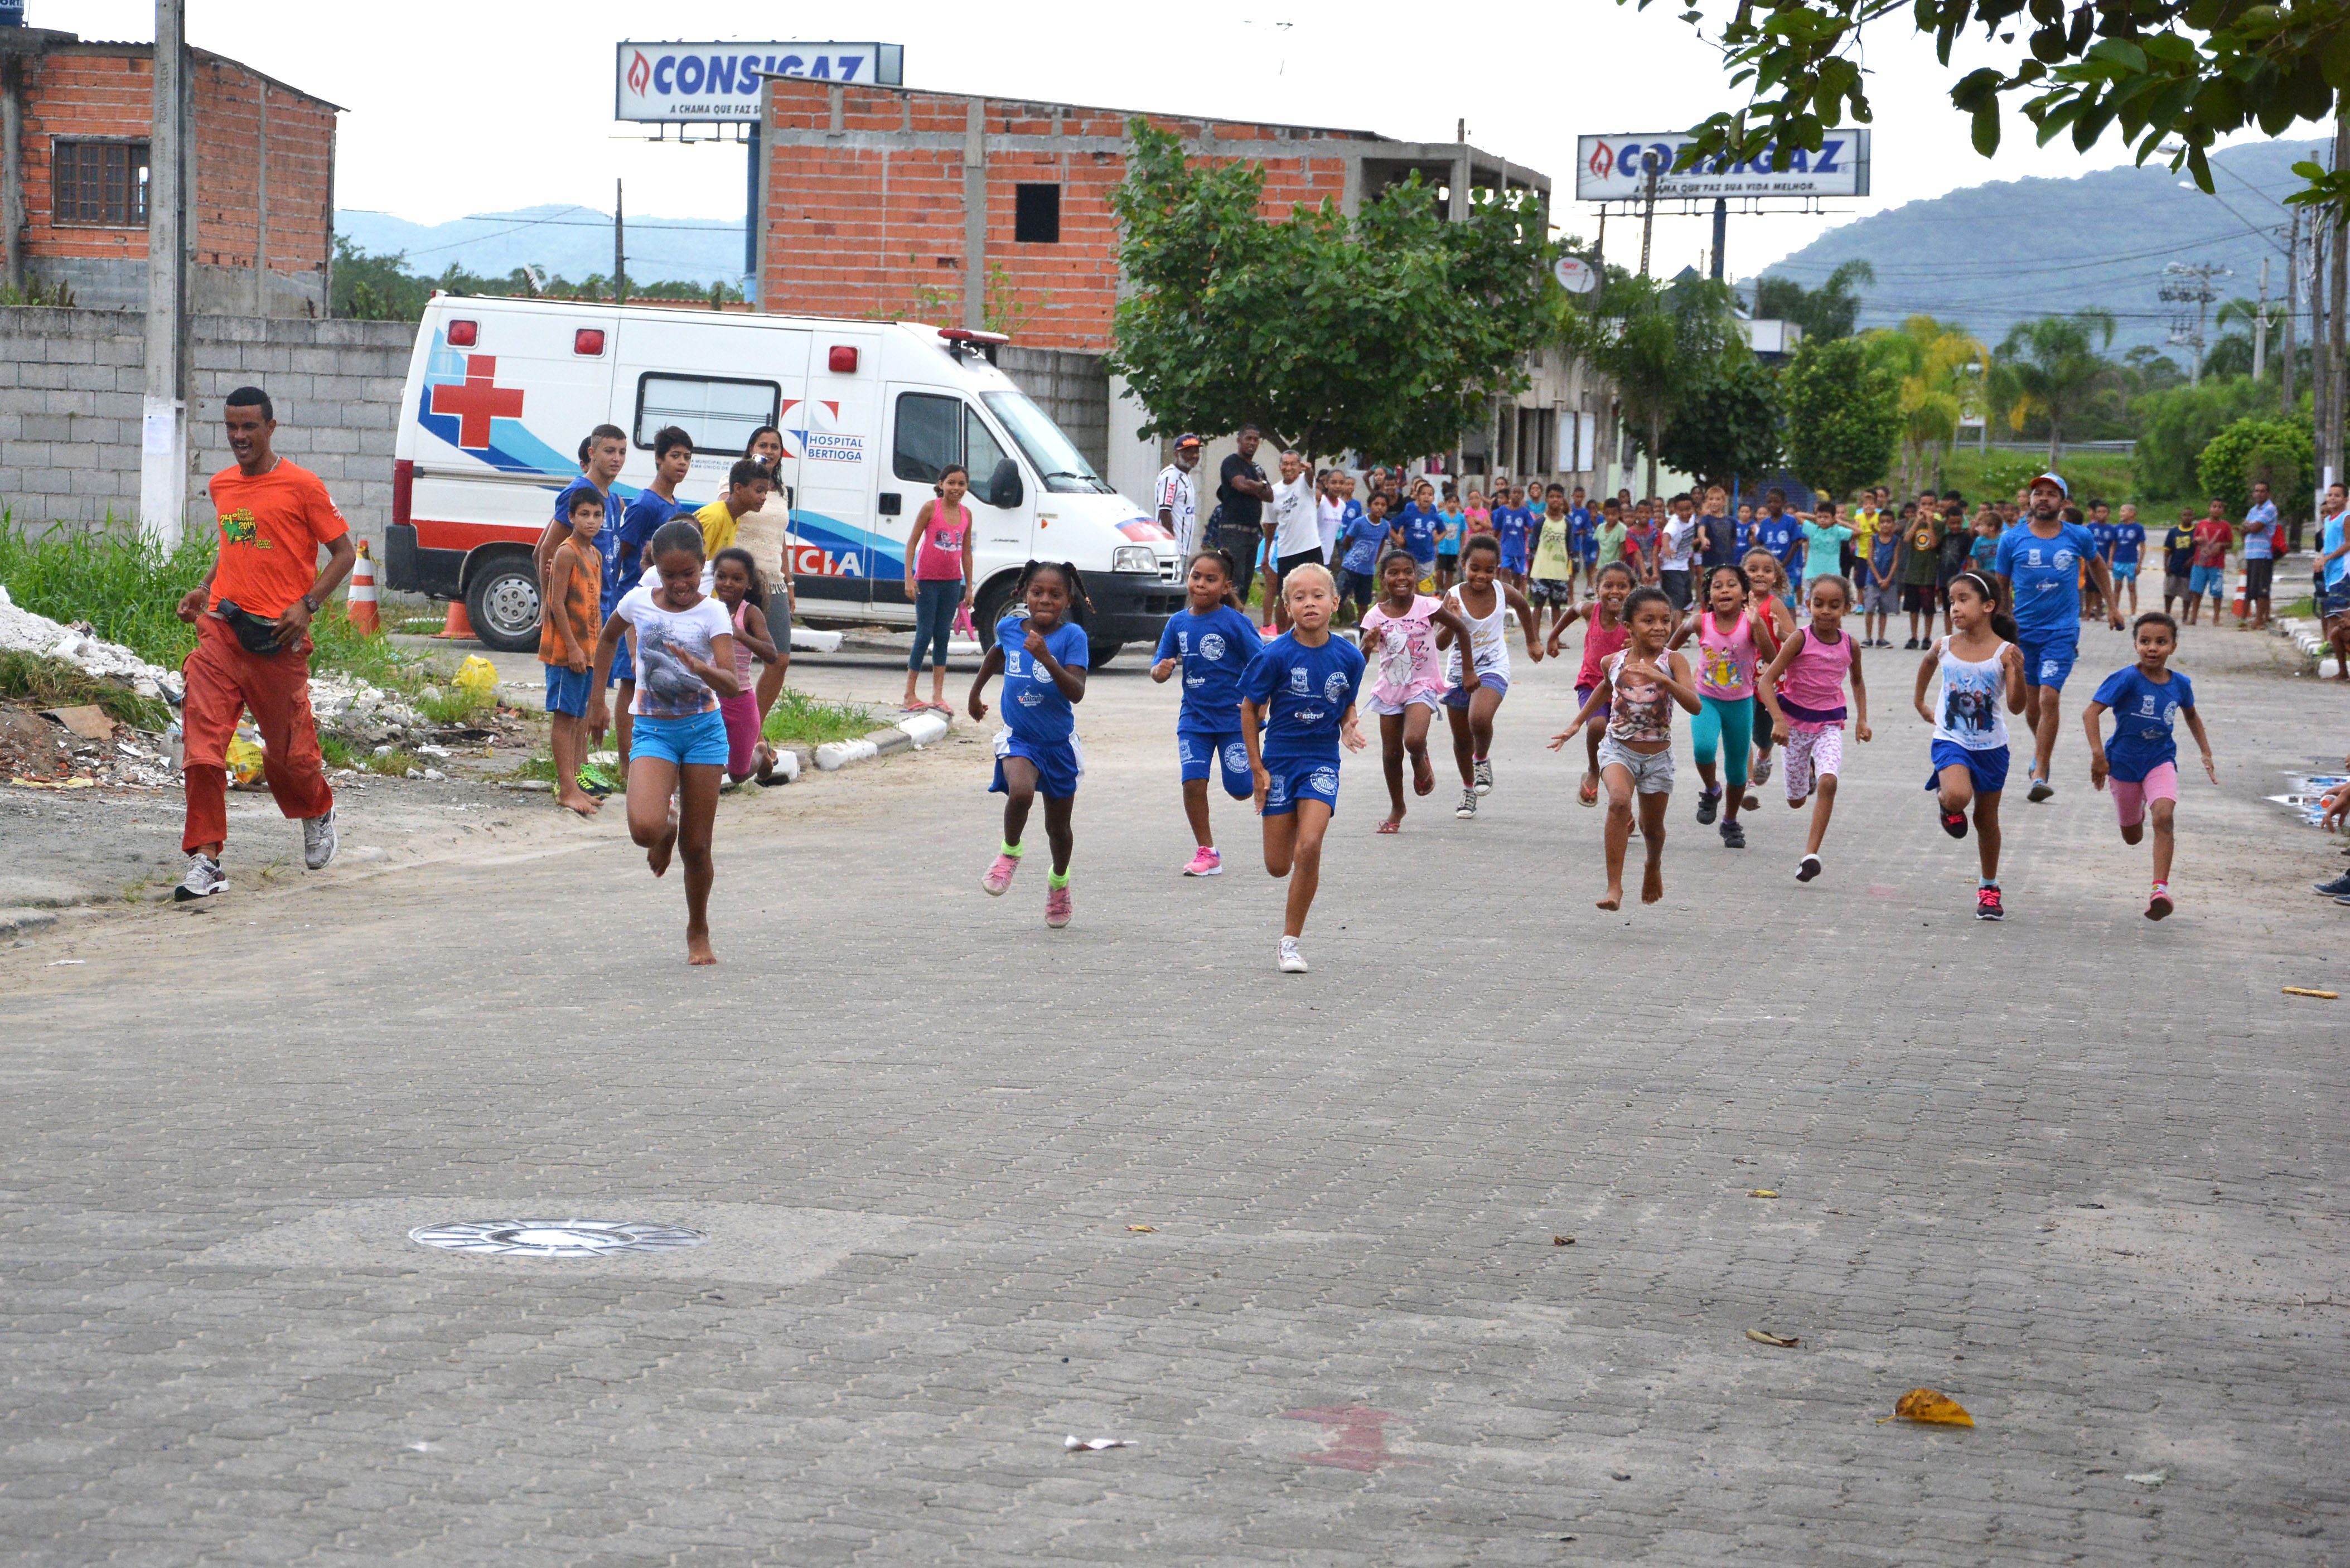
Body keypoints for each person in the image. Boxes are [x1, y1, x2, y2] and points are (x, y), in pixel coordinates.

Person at [171, 386, 356, 901]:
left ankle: (317, 809)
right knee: (203, 748)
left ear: (270, 428)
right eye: (232, 427)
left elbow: (343, 554)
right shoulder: (223, 484)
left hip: (278, 640)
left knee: (288, 757)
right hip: (222, 632)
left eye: (249, 427)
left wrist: (309, 605)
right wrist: (206, 590)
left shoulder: (303, 486)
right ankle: (206, 860)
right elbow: (237, 543)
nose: (238, 437)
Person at [587, 519, 740, 965]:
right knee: (644, 830)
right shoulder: (638, 602)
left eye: (688, 575)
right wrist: (599, 701)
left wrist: (700, 667)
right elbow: (608, 639)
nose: (680, 585)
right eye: (670, 575)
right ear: (656, 568)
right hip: (653, 729)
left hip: (703, 732)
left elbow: (730, 683)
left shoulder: (712, 612)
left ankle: (698, 928)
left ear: (702, 567)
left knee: (698, 847)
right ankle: (665, 826)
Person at [1240, 563, 1368, 973]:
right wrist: (1257, 768)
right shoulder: (1274, 655)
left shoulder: (1350, 656)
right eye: (1299, 597)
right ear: (1286, 607)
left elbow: (1346, 701)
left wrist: (1349, 725)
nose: (1309, 603)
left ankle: (1290, 942)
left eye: (1317, 596)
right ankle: (1287, 832)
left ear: (1335, 602)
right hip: (1279, 760)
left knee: (1309, 846)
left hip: (1321, 761)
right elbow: (1248, 708)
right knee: (1278, 865)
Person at [1549, 584, 1700, 910]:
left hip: (1658, 756)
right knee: (1619, 803)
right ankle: (1614, 887)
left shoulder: (1674, 662)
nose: (1659, 627)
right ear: (1629, 627)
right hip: (1619, 750)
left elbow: (1695, 705)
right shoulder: (1612, 661)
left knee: (1653, 827)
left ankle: (1652, 865)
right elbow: (1605, 689)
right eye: (1649, 620)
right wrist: (1576, 724)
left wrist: (1664, 680)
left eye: (1665, 620)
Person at [970, 561, 1091, 927]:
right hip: (1019, 737)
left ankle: (1059, 882)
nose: (1045, 600)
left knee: (1059, 830)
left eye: (1055, 595)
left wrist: (1046, 658)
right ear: (1025, 593)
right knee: (1020, 792)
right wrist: (976, 693)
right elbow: (996, 654)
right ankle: (1010, 852)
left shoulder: (1073, 638)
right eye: (1037, 592)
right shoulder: (1010, 628)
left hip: (1058, 745)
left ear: (1068, 600)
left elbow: (1077, 692)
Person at [1995, 471, 2122, 802]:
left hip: (2062, 632)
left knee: (2049, 698)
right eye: (2039, 493)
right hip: (2024, 633)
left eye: (2052, 494)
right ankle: (2042, 753)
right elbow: (2001, 583)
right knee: (2030, 707)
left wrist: (2112, 606)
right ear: (2031, 499)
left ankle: (2040, 772)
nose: (2043, 499)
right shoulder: (2012, 539)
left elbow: (2097, 566)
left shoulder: (2078, 536)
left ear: (2063, 503)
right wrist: (2001, 623)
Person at [2085, 612, 2215, 921]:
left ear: (2173, 646)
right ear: (2135, 645)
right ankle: (2137, 811)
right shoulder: (2126, 679)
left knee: (2165, 816)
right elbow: (2091, 713)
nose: (2152, 648)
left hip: (2160, 760)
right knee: (2133, 836)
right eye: (2145, 641)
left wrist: (2206, 752)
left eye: (2161, 642)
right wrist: (2098, 756)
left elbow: (2192, 716)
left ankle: (2160, 890)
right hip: (2124, 765)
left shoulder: (2180, 684)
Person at [1914, 571, 2026, 921]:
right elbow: (1927, 665)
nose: (1955, 608)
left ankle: (1989, 888)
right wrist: (1920, 703)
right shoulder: (1945, 645)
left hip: (1992, 746)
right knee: (1959, 796)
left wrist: (2018, 672)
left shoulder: (2006, 653)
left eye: (1964, 600)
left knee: (1986, 820)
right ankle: (1947, 802)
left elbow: (2017, 707)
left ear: (1989, 606)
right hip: (1950, 739)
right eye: (1951, 601)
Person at [1152, 549, 1264, 875]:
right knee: (1192, 783)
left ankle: (1264, 771)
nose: (1201, 584)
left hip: (1233, 721)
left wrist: (1259, 707)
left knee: (1241, 790)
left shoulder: (1235, 623)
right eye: (1196, 577)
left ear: (1226, 587)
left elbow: (1262, 664)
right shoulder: (1178, 623)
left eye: (1210, 579)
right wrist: (1161, 670)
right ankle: (1207, 851)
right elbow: (1158, 667)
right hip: (1194, 720)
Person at [1757, 574, 1869, 883]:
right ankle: (1807, 771)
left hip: (1829, 723)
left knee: (1829, 782)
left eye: (1834, 605)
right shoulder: (1799, 640)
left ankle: (1810, 855)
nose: (1825, 611)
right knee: (1796, 801)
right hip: (1793, 727)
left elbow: (1857, 681)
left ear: (1846, 608)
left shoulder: (1851, 645)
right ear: (1808, 605)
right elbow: (1766, 682)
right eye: (1818, 604)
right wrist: (1779, 720)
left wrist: (1861, 719)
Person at [1360, 548, 1474, 833]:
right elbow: (1360, 660)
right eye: (1393, 573)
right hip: (1389, 688)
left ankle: (1420, 756)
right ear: (1383, 579)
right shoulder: (1374, 616)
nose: (1402, 578)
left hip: (1422, 685)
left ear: (1417, 576)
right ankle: (1397, 807)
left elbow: (1460, 629)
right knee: (1390, 754)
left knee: (1412, 740)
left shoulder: (1428, 607)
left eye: (1407, 572)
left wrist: (1469, 671)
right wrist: (1367, 645)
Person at [1670, 562, 1779, 850]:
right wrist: (1663, 662)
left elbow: (1771, 657)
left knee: (1738, 772)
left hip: (1741, 703)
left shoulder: (1751, 623)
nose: (1724, 590)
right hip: (1706, 699)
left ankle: (1730, 821)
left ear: (1744, 593)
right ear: (1709, 596)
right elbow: (1673, 642)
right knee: (1704, 748)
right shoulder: (1700, 622)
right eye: (1717, 586)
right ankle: (1711, 790)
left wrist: (1759, 626)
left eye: (1731, 585)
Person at [610, 428, 696, 770]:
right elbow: (621, 554)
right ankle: (626, 765)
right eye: (675, 456)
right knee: (631, 682)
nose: (682, 464)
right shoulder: (645, 503)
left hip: (666, 608)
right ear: (659, 459)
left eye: (687, 458)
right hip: (639, 606)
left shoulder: (677, 505)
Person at [1440, 534, 1544, 819]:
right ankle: (1468, 790)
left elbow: (1524, 607)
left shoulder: (1503, 591)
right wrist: (1453, 619)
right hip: (1459, 672)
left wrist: (1532, 641)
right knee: (1461, 739)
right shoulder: (1453, 596)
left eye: (1490, 570)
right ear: (1464, 565)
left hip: (1493, 667)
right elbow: (1440, 643)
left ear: (1498, 569)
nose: (1482, 576)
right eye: (1475, 568)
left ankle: (1482, 759)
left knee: (1479, 718)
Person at [539, 488, 607, 816]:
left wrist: (592, 649)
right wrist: (574, 648)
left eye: (597, 515)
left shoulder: (595, 555)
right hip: (566, 653)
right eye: (584, 515)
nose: (591, 521)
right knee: (565, 719)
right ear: (571, 517)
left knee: (578, 717)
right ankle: (566, 788)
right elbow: (556, 603)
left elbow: (594, 604)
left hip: (588, 650)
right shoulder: (566, 553)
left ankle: (575, 785)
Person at [1548, 560, 1637, 809]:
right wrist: (1554, 636)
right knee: (1597, 725)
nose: (1615, 592)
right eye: (1608, 586)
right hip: (1591, 684)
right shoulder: (1592, 611)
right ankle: (1593, 769)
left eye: (1623, 586)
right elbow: (1573, 610)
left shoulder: (1636, 619)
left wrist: (1636, 644)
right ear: (1597, 589)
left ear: (1632, 590)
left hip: (1625, 690)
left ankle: (1623, 802)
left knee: (1623, 743)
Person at [709, 547, 782, 786]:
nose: (728, 584)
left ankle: (761, 755)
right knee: (707, 761)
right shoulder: (706, 608)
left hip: (740, 703)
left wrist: (741, 635)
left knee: (738, 774)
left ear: (749, 584)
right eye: (722, 577)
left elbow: (772, 654)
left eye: (737, 579)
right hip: (709, 701)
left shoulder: (750, 614)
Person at [538, 423, 626, 595]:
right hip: (579, 604)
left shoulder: (616, 501)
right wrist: (547, 605)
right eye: (610, 451)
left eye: (622, 452)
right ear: (591, 453)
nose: (617, 458)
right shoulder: (577, 491)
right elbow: (546, 549)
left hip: (605, 603)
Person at [1215, 425, 1274, 608]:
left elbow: (1270, 496)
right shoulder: (1231, 463)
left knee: (1246, 586)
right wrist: (1259, 486)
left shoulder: (1257, 468)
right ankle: (1225, 624)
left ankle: (1238, 623)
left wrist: (1258, 485)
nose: (1252, 443)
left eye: (1256, 440)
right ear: (1239, 440)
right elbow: (1241, 485)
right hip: (1233, 532)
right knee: (1234, 583)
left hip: (1252, 534)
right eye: (1248, 438)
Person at [1268, 447, 1322, 632]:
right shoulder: (1273, 492)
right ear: (1280, 467)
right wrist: (1267, 554)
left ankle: (1308, 631)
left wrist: (1308, 470)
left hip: (1311, 548)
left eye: (1293, 464)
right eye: (1285, 464)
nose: (1289, 467)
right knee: (1286, 597)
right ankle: (1282, 636)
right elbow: (1269, 525)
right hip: (1286, 551)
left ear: (1299, 466)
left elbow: (1310, 478)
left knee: (1316, 592)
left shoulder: (1305, 482)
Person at [1528, 484, 1578, 641]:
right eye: (1552, 497)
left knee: (1557, 606)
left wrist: (1568, 573)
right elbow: (1533, 548)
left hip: (1559, 571)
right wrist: (1531, 572)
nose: (1555, 500)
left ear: (1563, 499)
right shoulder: (1540, 522)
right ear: (1547, 499)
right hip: (1541, 570)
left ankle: (1555, 638)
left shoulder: (1567, 524)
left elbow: (1569, 550)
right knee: (1538, 605)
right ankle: (1535, 638)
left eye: (1558, 496)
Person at [1335, 490, 1390, 619]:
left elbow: (1382, 541)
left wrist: (1376, 558)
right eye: (1376, 504)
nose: (1380, 508)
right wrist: (1353, 556)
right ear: (1370, 506)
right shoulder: (1359, 523)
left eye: (1383, 505)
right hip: (1351, 568)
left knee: (1363, 604)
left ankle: (1362, 634)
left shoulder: (1385, 526)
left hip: (1368, 572)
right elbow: (1347, 541)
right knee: (1338, 598)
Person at [1896, 498, 1941, 649]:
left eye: (1930, 505)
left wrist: (1929, 523)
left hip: (1928, 572)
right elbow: (1907, 539)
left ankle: (1927, 637)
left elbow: (1934, 544)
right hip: (1912, 572)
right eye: (1924, 505)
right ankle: (1914, 636)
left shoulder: (1939, 525)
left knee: (1928, 608)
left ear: (1935, 507)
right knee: (1913, 608)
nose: (1927, 507)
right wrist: (1917, 522)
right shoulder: (1912, 523)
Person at [2318, 482, 2350, 680]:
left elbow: (2349, 543)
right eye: (2330, 495)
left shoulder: (2346, 518)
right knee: (2337, 624)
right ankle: (2342, 671)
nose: (2332, 498)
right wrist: (2322, 560)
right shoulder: (2329, 520)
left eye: (2337, 495)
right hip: (2331, 573)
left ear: (2345, 499)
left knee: (2342, 613)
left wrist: (2328, 559)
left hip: (2343, 573)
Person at [2238, 479, 2280, 630]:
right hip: (2251, 553)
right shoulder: (2253, 510)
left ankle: (2260, 620)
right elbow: (2244, 529)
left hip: (2263, 553)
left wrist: (2249, 526)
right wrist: (2249, 527)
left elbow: (2255, 528)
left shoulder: (2270, 508)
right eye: (2257, 491)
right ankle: (2257, 617)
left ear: (2268, 493)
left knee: (2262, 588)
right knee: (2252, 588)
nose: (2259, 493)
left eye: (2263, 491)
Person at [1387, 477, 1442, 591]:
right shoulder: (1409, 512)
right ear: (1417, 496)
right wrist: (1399, 539)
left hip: (1428, 558)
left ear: (1433, 498)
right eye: (1423, 494)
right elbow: (1391, 526)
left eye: (1430, 494)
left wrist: (1436, 540)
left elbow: (1443, 530)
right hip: (1409, 557)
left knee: (1427, 590)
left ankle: (1426, 608)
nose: (1427, 497)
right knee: (1410, 587)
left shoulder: (1435, 516)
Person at [1156, 433, 1203, 556]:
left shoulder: (1186, 476)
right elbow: (1165, 511)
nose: (1194, 456)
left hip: (1183, 549)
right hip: (1172, 550)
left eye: (1196, 452)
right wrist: (1172, 544)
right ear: (1177, 454)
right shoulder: (1171, 476)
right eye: (1188, 452)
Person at [2186, 500, 2232, 626]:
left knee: (2217, 592)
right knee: (2196, 591)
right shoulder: (2202, 524)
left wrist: (2221, 545)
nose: (2216, 509)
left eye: (2220, 507)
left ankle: (2216, 618)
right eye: (2214, 506)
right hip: (2200, 563)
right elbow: (2194, 541)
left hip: (2216, 564)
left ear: (2223, 511)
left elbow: (2230, 544)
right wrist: (2197, 540)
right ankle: (2193, 617)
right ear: (2209, 509)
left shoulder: (2225, 526)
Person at [1861, 503, 1902, 646]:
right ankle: (1868, 637)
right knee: (1870, 609)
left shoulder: (1896, 541)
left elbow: (1896, 561)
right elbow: (1870, 560)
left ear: (1893, 524)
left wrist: (1888, 579)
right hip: (1873, 580)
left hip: (1888, 581)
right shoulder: (1873, 539)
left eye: (1888, 522)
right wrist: (1879, 579)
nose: (1885, 525)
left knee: (1884, 610)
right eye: (1882, 522)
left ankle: (1881, 638)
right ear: (1878, 524)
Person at [1801, 500, 1856, 602]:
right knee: (1814, 601)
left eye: (1826, 517)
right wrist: (1815, 518)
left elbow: (1858, 532)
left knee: (1831, 599)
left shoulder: (1837, 530)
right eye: (1820, 517)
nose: (1822, 520)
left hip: (1832, 573)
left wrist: (1840, 522)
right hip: (1813, 573)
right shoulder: (1813, 529)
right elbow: (1797, 515)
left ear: (1833, 518)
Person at [1657, 492, 1699, 610]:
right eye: (1681, 510)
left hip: (1683, 566)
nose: (1685, 513)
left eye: (1688, 509)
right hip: (1670, 567)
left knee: (1686, 604)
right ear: (1675, 510)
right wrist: (1666, 548)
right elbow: (1666, 535)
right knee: (1677, 603)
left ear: (1693, 508)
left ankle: (1678, 627)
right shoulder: (1674, 524)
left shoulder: (1692, 519)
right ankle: (1675, 628)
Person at [1492, 483, 1531, 592]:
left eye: (1519, 493)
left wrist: (1526, 530)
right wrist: (1493, 542)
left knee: (1518, 574)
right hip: (1505, 548)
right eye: (1514, 492)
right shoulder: (1502, 511)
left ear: (1523, 496)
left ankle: (1515, 594)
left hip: (1519, 549)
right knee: (1504, 569)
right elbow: (1497, 528)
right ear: (1509, 495)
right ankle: (1507, 592)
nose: (1517, 495)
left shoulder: (1524, 512)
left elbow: (1531, 527)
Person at [2109, 502, 2146, 617]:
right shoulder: (2117, 528)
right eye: (2121, 511)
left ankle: (2133, 614)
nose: (2121, 513)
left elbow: (2143, 547)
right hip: (2118, 561)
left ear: (2132, 513)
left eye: (2123, 511)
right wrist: (2111, 560)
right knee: (2117, 587)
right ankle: (2115, 611)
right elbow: (2114, 545)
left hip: (2132, 562)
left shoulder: (2138, 528)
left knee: (2132, 588)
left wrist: (2139, 564)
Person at [2161, 508, 2198, 619]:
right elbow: (2167, 550)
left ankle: (2185, 616)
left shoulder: (2196, 532)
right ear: (2181, 517)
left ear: (2193, 518)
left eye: (2190, 515)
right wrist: (2166, 565)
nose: (2187, 517)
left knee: (2187, 596)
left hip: (2188, 570)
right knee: (2169, 593)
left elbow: (2199, 550)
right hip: (2174, 567)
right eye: (2185, 515)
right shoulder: (2173, 532)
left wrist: (2192, 560)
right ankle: (2167, 613)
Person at [1434, 489, 1466, 590]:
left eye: (1454, 502)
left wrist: (1461, 548)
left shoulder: (1461, 518)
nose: (1452, 505)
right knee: (1439, 570)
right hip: (1442, 548)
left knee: (1450, 572)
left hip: (1454, 550)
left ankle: (1447, 592)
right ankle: (1439, 589)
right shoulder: (1440, 516)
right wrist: (1436, 546)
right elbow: (1436, 532)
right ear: (1445, 504)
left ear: (1458, 504)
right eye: (1449, 502)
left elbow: (1463, 533)